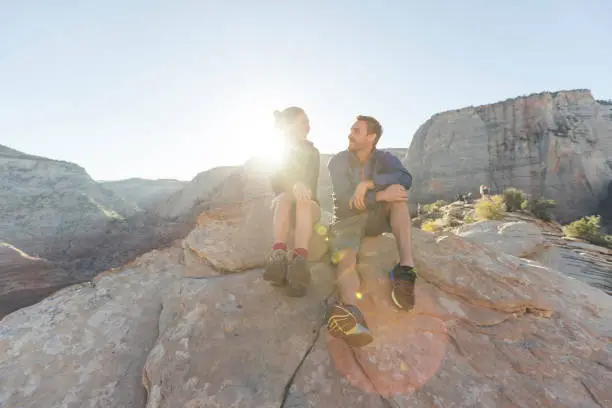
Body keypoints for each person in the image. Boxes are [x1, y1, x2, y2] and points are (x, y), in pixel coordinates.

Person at [325, 115, 417, 347]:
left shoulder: (384, 158)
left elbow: (405, 178)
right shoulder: (337, 161)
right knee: (347, 261)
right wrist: (379, 195)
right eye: (351, 129)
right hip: (348, 219)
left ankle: (406, 269)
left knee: (399, 195)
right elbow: (346, 200)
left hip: (375, 218)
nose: (349, 134)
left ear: (371, 137)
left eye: (356, 130)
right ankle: (351, 315)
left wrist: (369, 183)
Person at [264, 107, 322, 297]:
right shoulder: (278, 150)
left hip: (308, 205)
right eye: (303, 121)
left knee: (303, 199)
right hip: (284, 204)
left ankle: (299, 263)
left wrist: (300, 186)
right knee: (285, 198)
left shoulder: (312, 151)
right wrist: (293, 185)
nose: (308, 125)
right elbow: (276, 180)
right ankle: (279, 257)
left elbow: (310, 181)